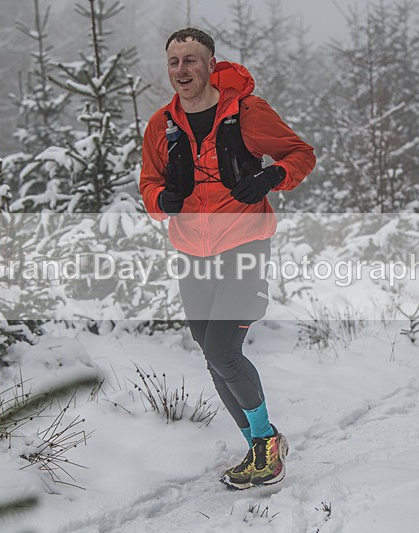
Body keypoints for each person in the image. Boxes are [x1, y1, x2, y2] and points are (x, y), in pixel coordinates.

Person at [139, 27, 315, 489]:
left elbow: (301, 154)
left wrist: (271, 177)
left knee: (222, 350)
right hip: (191, 253)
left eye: (191, 60)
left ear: (210, 64)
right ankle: (258, 446)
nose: (182, 70)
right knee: (212, 354)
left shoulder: (247, 113)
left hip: (243, 246)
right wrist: (162, 200)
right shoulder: (161, 125)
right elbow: (149, 185)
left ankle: (266, 444)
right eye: (174, 62)